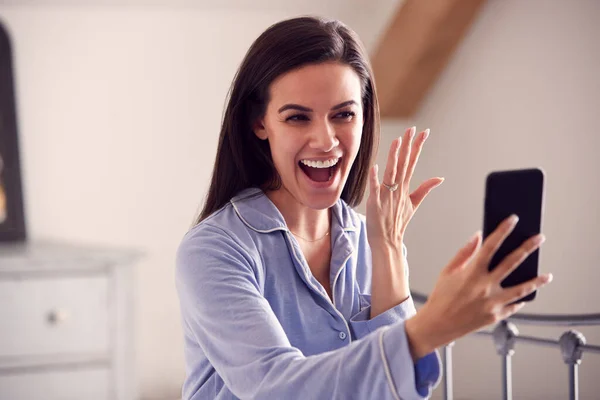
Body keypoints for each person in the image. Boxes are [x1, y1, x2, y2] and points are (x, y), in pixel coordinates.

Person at [175, 16, 552, 400]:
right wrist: (429, 328)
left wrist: (388, 249)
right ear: (260, 123)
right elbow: (277, 388)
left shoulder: (371, 238)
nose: (325, 140)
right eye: (297, 117)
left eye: (343, 114)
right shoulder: (212, 251)